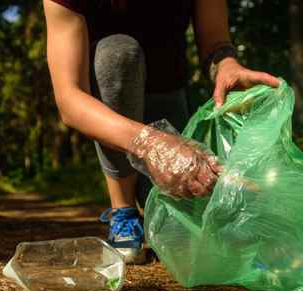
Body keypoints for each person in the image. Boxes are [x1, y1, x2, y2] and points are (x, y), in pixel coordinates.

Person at [43, 0, 279, 263]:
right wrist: (151, 144)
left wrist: (226, 65)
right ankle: (123, 210)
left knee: (187, 234)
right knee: (118, 53)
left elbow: (215, 44)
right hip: (112, 112)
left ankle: (157, 207)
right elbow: (70, 99)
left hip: (168, 96)